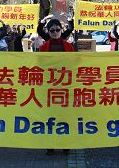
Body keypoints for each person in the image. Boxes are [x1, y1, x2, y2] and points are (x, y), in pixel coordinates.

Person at [39, 18, 74, 155]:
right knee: (50, 117)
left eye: (57, 30)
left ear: (61, 30)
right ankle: (50, 145)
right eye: (52, 30)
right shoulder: (43, 48)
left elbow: (75, 65)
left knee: (65, 117)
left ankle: (65, 144)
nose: (55, 32)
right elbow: (39, 67)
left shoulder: (69, 47)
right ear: (48, 31)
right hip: (49, 88)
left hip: (65, 87)